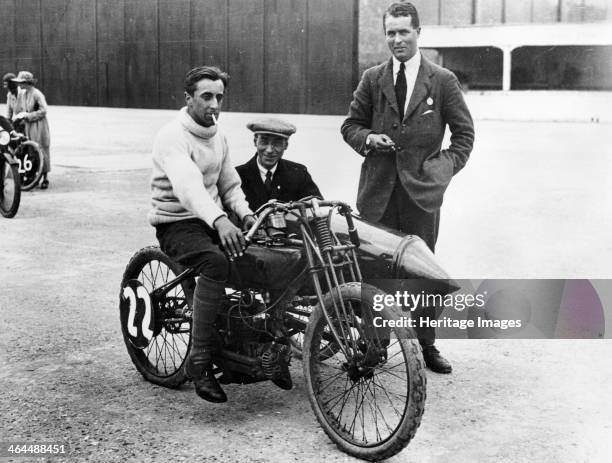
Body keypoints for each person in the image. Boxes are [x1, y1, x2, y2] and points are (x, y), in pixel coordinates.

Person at [341, 2, 475, 374]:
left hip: (422, 195)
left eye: (403, 32)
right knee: (374, 269)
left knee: (423, 271)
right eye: (390, 33)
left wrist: (440, 171)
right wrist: (368, 139)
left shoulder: (443, 80)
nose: (396, 39)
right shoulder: (372, 78)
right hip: (377, 195)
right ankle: (374, 345)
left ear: (419, 33)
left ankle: (426, 345)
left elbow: (464, 136)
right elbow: (350, 125)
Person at [148, 66, 256, 404]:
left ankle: (244, 346)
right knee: (214, 263)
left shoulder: (218, 134)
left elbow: (229, 185)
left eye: (219, 97)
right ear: (189, 98)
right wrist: (222, 221)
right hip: (175, 221)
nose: (214, 104)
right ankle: (199, 360)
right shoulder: (172, 135)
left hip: (211, 217)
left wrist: (247, 214)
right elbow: (189, 188)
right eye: (206, 96)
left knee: (256, 258)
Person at [236, 117, 322, 211]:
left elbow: (318, 207)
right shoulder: (237, 175)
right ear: (255, 141)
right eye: (264, 142)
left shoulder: (299, 173)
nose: (269, 150)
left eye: (277, 143)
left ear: (286, 145)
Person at [11, 71, 51, 189]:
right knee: (31, 151)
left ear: (27, 82)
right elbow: (18, 110)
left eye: (21, 82)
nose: (20, 85)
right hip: (28, 126)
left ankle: (45, 178)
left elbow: (43, 110)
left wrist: (28, 116)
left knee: (42, 149)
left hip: (39, 126)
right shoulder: (22, 94)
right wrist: (18, 116)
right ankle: (34, 176)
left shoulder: (37, 94)